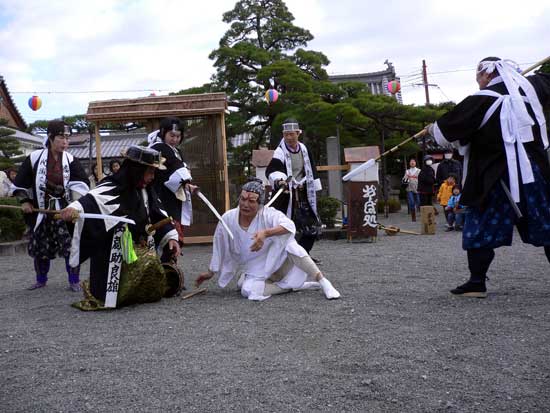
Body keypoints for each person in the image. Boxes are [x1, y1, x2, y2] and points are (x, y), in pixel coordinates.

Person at [426, 57, 550, 297]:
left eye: (478, 76)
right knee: (546, 221)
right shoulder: (532, 88)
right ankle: (476, 281)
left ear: (486, 74)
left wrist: (432, 128)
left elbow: (444, 132)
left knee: (481, 225)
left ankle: (477, 281)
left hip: (493, 177)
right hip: (535, 175)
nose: (478, 82)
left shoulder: (478, 101)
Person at [60, 145, 181, 309]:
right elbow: (90, 201)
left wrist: (171, 237)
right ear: (137, 170)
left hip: (141, 247)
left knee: (150, 268)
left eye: (154, 172)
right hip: (114, 250)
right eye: (150, 172)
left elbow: (158, 214)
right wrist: (74, 210)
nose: (153, 176)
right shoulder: (112, 186)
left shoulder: (147, 190)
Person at [195, 178, 340, 301]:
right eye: (243, 199)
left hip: (280, 262)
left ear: (260, 204)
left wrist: (265, 233)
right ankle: (292, 286)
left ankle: (323, 281)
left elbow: (289, 226)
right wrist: (210, 272)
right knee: (247, 290)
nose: (245, 204)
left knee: (291, 245)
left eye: (252, 201)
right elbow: (219, 245)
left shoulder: (268, 214)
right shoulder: (228, 218)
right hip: (256, 268)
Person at [11, 120, 90, 291]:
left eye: (67, 138)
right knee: (40, 246)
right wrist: (25, 201)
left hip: (65, 212)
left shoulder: (71, 160)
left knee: (71, 246)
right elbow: (20, 183)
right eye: (61, 137)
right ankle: (41, 279)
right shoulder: (34, 158)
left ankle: (74, 280)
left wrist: (75, 205)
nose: (65, 142)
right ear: (50, 137)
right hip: (42, 211)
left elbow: (81, 185)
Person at [265, 119, 322, 258]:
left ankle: (303, 255)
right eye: (286, 135)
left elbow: (311, 168)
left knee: (312, 225)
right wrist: (279, 181)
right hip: (286, 194)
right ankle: (283, 257)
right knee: (284, 226)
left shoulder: (304, 149)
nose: (289, 138)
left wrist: (313, 186)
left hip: (303, 193)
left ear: (298, 133)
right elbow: (273, 169)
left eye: (292, 134)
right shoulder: (280, 151)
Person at [148, 117, 197, 253]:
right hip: (161, 198)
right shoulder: (159, 147)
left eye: (178, 136)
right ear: (163, 133)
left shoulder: (176, 151)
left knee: (174, 231)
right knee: (167, 232)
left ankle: (171, 264)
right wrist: (187, 182)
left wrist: (187, 182)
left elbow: (179, 168)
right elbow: (176, 167)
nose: (175, 139)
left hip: (174, 197)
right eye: (172, 135)